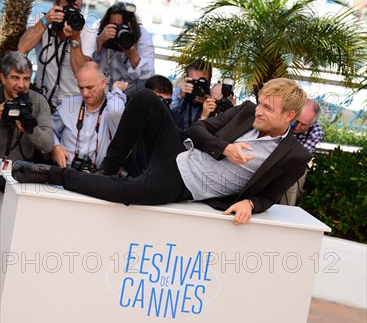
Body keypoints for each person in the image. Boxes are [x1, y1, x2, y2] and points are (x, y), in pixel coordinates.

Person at [12, 78, 311, 225]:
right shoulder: (245, 112)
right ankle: (107, 166)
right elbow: (196, 131)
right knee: (145, 99)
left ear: (289, 116)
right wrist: (226, 148)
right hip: (179, 151)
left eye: (267, 109)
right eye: (260, 103)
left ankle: (52, 174)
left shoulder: (294, 156)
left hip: (184, 184)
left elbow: (269, 196)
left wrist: (249, 203)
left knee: (127, 194)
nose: (258, 111)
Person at [18, 0, 95, 111]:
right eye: (67, 7)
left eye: (75, 9)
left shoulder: (87, 31)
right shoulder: (41, 19)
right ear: (55, 6)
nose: (71, 12)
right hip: (40, 99)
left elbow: (81, 73)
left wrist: (75, 38)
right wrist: (45, 21)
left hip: (70, 106)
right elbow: (22, 48)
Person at [50, 62, 127, 171]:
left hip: (97, 179)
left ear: (103, 82)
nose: (85, 93)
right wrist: (55, 147)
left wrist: (117, 90)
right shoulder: (68, 104)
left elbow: (116, 112)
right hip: (65, 173)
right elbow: (48, 129)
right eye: (81, 88)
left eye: (90, 87)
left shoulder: (111, 107)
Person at [0, 52, 53, 192]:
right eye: (15, 78)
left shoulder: (38, 101)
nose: (21, 85)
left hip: (19, 177)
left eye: (26, 79)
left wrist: (29, 127)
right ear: (3, 78)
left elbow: (48, 145)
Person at [92, 2, 155, 98]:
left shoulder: (142, 36)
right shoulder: (102, 33)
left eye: (123, 25)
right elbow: (92, 68)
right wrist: (100, 42)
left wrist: (132, 55)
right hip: (103, 92)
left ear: (132, 25)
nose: (119, 30)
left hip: (131, 95)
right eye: (114, 25)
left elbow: (148, 76)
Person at [280, 99, 324, 205]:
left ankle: (286, 209)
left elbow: (300, 155)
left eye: (302, 124)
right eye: (296, 120)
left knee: (297, 171)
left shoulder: (316, 131)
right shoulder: (282, 117)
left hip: (291, 163)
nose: (296, 126)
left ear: (311, 125)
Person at [170, 59, 215, 129]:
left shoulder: (212, 99)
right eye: (194, 81)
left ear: (209, 83)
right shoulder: (180, 91)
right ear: (187, 80)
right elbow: (167, 116)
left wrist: (207, 112)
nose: (198, 86)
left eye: (202, 82)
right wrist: (180, 97)